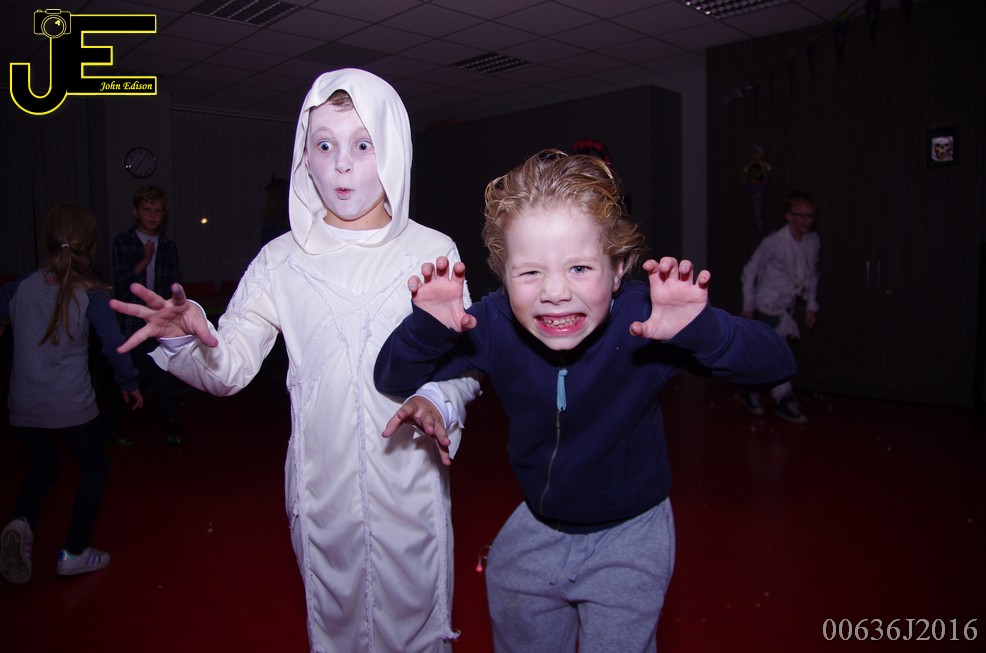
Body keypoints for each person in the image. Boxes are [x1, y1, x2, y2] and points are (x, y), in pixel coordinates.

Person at [109, 69, 481, 653]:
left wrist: (439, 399)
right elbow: (229, 367)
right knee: (334, 628)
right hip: (320, 487)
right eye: (324, 145)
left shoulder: (432, 252)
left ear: (393, 149)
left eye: (363, 145)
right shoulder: (280, 261)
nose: (341, 165)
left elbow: (464, 364)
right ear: (304, 156)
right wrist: (188, 339)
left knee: (416, 628)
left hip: (409, 483)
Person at [374, 150, 796, 652]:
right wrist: (429, 327)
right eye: (529, 273)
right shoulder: (493, 324)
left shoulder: (646, 322)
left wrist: (704, 330)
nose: (554, 291)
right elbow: (392, 375)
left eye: (579, 267)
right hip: (537, 526)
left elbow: (776, 363)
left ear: (617, 270)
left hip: (631, 536)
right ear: (504, 277)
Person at [0, 204, 143, 584]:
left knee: (43, 469)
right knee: (95, 468)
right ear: (91, 248)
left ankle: (20, 523)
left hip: (24, 406)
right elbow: (115, 347)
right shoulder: (91, 293)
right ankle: (74, 552)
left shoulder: (17, 288)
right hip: (72, 406)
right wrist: (129, 382)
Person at [738, 189, 820, 423]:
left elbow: (812, 274)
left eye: (811, 215)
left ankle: (748, 388)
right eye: (802, 215)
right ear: (789, 216)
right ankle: (784, 398)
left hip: (788, 306)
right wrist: (748, 305)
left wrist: (811, 306)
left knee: (767, 351)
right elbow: (750, 269)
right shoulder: (774, 242)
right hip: (768, 304)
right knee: (778, 351)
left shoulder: (812, 241)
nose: (807, 221)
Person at [111, 184, 183, 445]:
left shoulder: (169, 247)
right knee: (127, 375)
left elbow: (172, 288)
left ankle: (172, 427)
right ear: (135, 212)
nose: (153, 215)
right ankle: (113, 428)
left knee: (159, 375)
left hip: (159, 324)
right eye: (147, 210)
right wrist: (144, 260)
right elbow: (122, 284)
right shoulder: (123, 242)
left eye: (158, 210)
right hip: (130, 324)